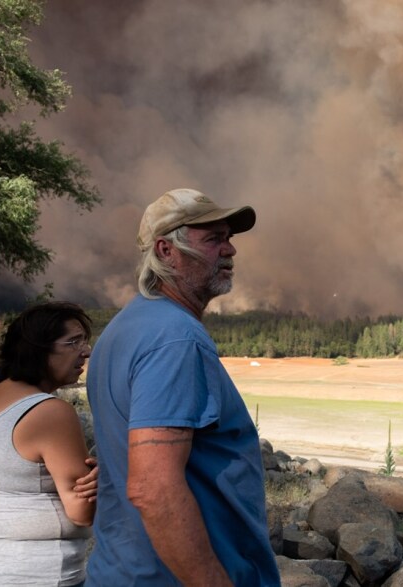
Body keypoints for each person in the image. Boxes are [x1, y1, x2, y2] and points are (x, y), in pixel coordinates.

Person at [85, 188, 279, 586]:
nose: (230, 250)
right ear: (165, 250)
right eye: (213, 239)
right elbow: (153, 487)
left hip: (123, 571)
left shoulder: (124, 328)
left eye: (229, 237)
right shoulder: (174, 338)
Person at [0, 302, 99, 587]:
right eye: (73, 342)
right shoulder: (50, 412)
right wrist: (109, 477)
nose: (85, 351)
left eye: (85, 341)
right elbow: (83, 511)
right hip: (38, 575)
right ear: (38, 349)